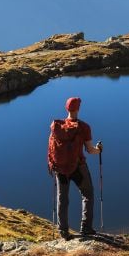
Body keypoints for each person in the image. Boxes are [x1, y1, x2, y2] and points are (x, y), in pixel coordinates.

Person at [48, 96, 103, 240]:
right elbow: (90, 150)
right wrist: (99, 149)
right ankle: (86, 228)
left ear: (66, 108)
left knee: (62, 199)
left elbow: (52, 148)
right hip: (77, 168)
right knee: (88, 194)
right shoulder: (83, 127)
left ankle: (63, 231)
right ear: (78, 108)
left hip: (60, 169)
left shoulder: (57, 127)